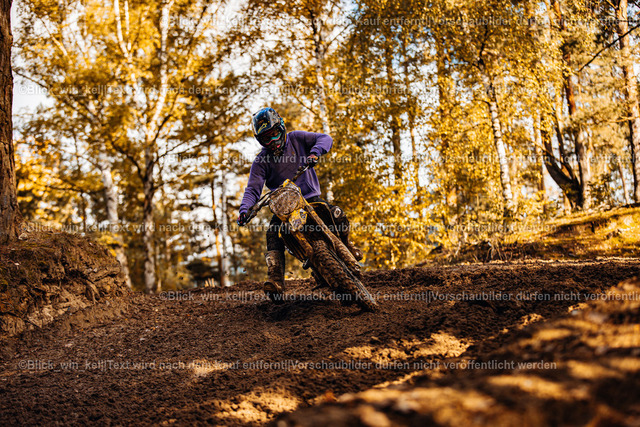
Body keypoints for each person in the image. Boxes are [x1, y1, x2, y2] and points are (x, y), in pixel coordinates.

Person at [237, 107, 362, 298]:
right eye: (266, 138)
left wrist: (315, 153)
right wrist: (245, 210)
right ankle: (276, 279)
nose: (273, 141)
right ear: (260, 141)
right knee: (273, 233)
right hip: (284, 209)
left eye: (274, 134)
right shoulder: (261, 161)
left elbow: (325, 138)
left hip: (310, 199)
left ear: (282, 127)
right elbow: (253, 189)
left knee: (336, 213)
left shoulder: (296, 138)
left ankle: (347, 244)